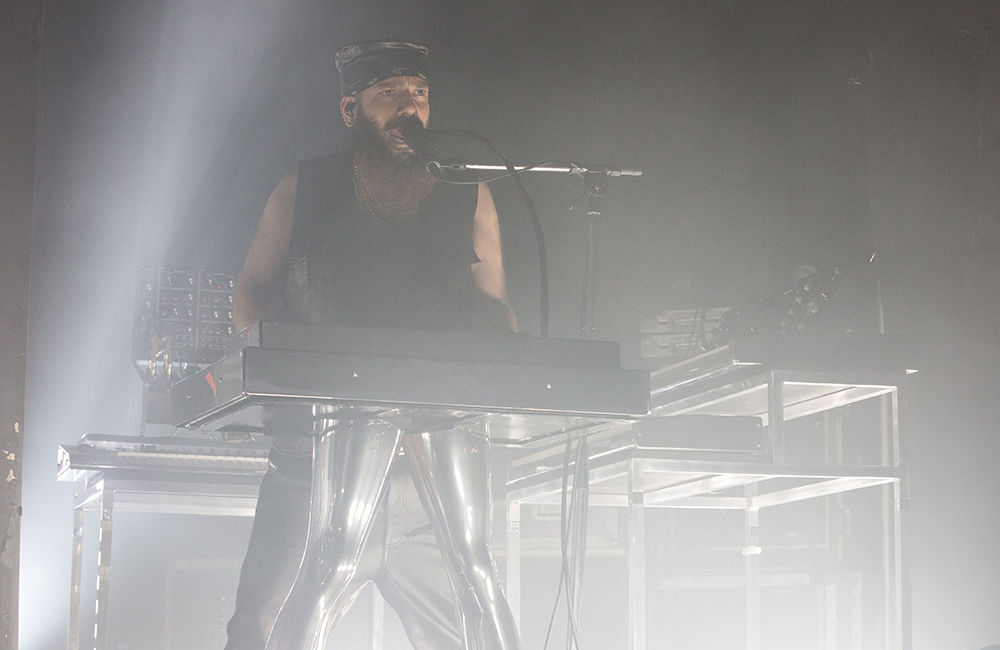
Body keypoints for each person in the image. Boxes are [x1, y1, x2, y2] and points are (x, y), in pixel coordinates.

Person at [224, 40, 521, 650]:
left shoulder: (469, 194)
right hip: (312, 461)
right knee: (262, 625)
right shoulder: (304, 186)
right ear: (350, 109)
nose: (408, 107)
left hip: (427, 474)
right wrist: (300, 384)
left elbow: (497, 317)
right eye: (389, 94)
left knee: (460, 619)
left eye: (419, 93)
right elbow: (249, 298)